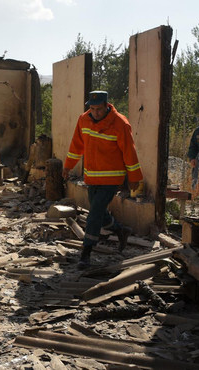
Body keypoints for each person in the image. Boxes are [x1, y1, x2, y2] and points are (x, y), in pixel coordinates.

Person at [62, 91, 143, 269]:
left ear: (107, 106)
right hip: (92, 176)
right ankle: (120, 230)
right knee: (98, 211)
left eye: (99, 109)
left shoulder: (120, 123)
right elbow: (77, 145)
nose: (95, 113)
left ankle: (86, 252)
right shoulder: (83, 119)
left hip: (112, 177)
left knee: (94, 213)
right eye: (92, 108)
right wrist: (68, 166)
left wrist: (134, 177)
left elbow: (129, 151)